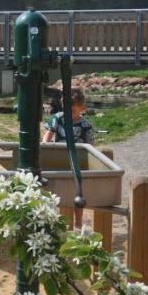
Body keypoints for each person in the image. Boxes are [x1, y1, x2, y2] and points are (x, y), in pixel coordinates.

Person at [43, 87, 95, 227]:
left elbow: (91, 146)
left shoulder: (85, 125)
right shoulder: (58, 119)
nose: (68, 114)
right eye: (66, 110)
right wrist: (45, 146)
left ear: (82, 108)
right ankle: (58, 222)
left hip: (77, 162)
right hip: (59, 160)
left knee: (78, 192)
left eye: (72, 111)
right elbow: (48, 134)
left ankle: (78, 223)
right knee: (58, 191)